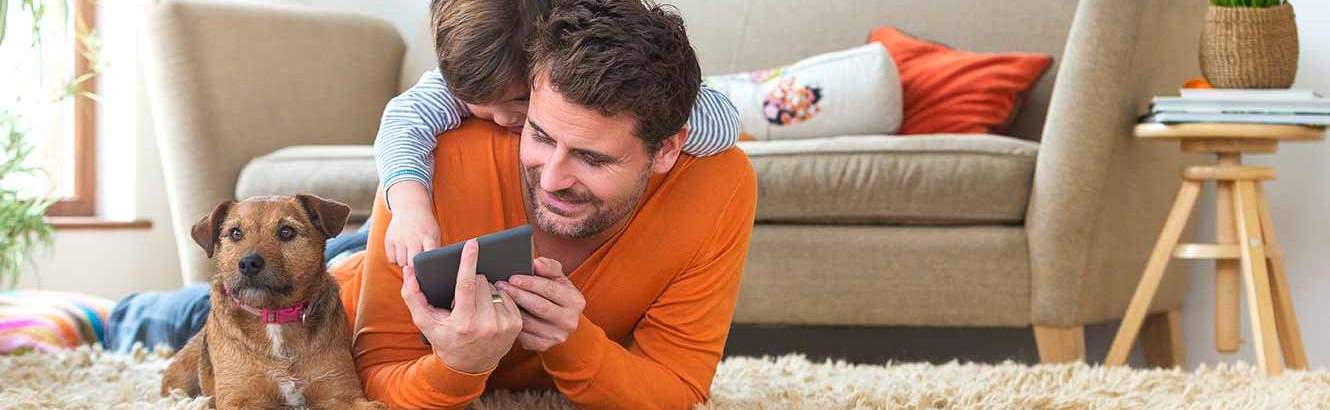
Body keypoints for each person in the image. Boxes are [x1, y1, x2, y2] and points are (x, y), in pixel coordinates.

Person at [333, 0, 758, 407]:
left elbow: (677, 391)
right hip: (356, 261)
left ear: (667, 148)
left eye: (593, 158)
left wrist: (574, 344)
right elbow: (373, 381)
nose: (552, 180)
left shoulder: (715, 177)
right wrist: (457, 367)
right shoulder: (432, 154)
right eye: (537, 134)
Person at [376, 0, 741, 270]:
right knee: (354, 259)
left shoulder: (580, 66)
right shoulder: (471, 79)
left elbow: (723, 127)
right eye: (477, 103)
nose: (502, 118)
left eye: (520, 100)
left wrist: (644, 111)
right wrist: (410, 209)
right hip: (421, 234)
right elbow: (403, 122)